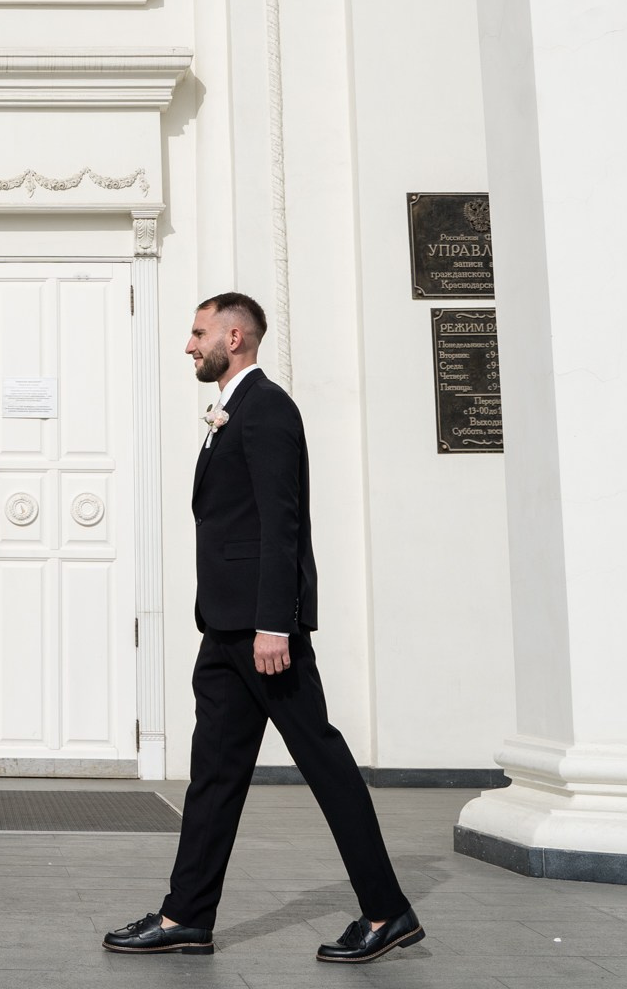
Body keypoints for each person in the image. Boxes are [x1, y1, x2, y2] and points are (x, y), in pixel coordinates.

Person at [103, 293, 423, 965]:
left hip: (262, 634)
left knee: (324, 763)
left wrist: (276, 624)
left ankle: (387, 910)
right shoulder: (236, 409)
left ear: (236, 335)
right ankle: (185, 916)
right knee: (213, 776)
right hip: (225, 630)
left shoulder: (267, 408)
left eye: (199, 333)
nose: (190, 346)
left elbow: (282, 523)